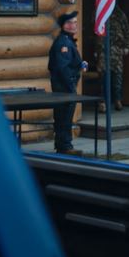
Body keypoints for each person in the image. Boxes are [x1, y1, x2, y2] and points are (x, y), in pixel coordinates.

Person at [47, 11, 87, 155]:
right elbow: (62, 68)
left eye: (75, 22)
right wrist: (71, 87)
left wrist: (80, 65)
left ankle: (63, 145)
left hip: (66, 86)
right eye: (69, 23)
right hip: (63, 88)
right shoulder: (63, 42)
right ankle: (65, 147)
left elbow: (70, 64)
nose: (73, 25)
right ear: (63, 25)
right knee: (64, 117)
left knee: (65, 116)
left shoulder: (68, 41)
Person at [95, 3, 129, 112]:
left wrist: (127, 46)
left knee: (117, 76)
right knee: (102, 77)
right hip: (103, 50)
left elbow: (127, 32)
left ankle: (117, 99)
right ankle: (102, 102)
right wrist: (96, 50)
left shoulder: (120, 14)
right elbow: (96, 33)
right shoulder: (100, 13)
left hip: (116, 49)